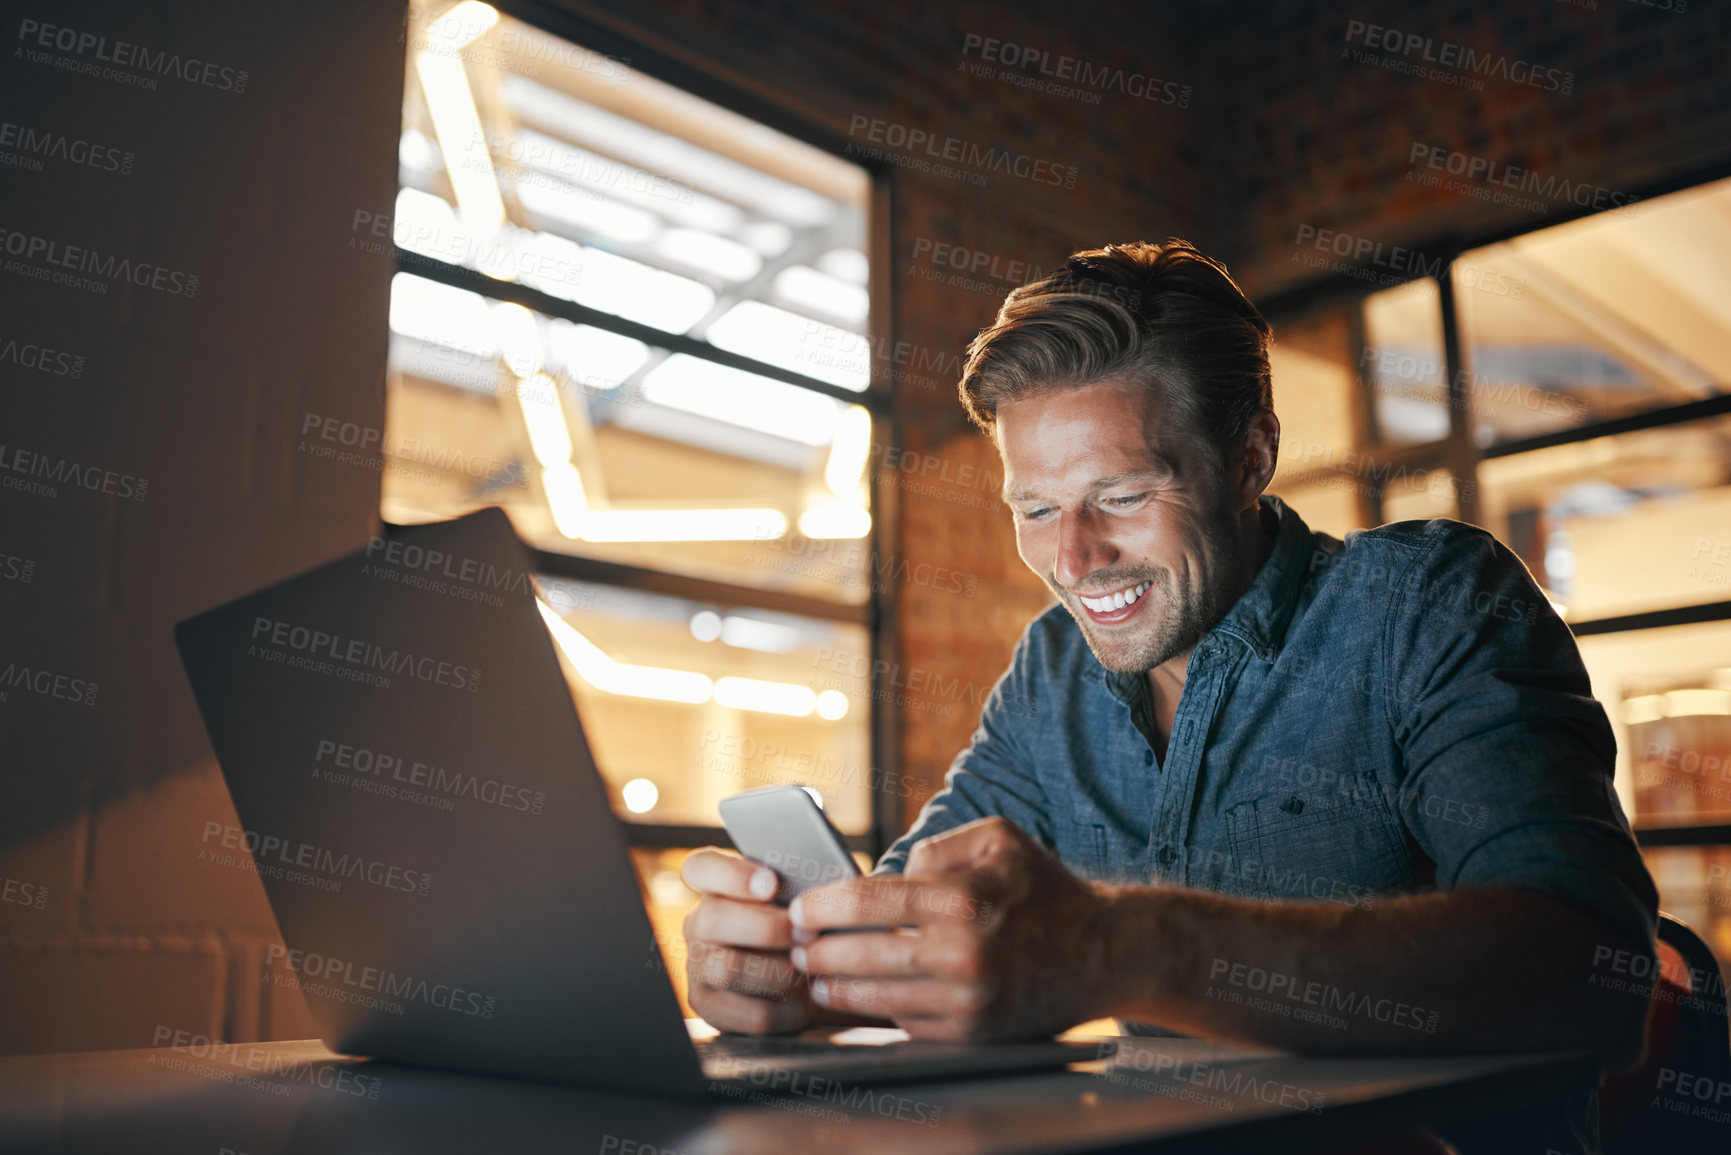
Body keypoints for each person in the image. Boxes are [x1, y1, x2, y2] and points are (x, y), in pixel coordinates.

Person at [679, 239, 1659, 1150]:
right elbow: (919, 928)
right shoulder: (1051, 671)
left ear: (1250, 460)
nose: (1072, 558)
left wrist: (1126, 946)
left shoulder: (1426, 602)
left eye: (1121, 497)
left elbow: (1592, 974)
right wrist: (797, 971)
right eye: (1036, 509)